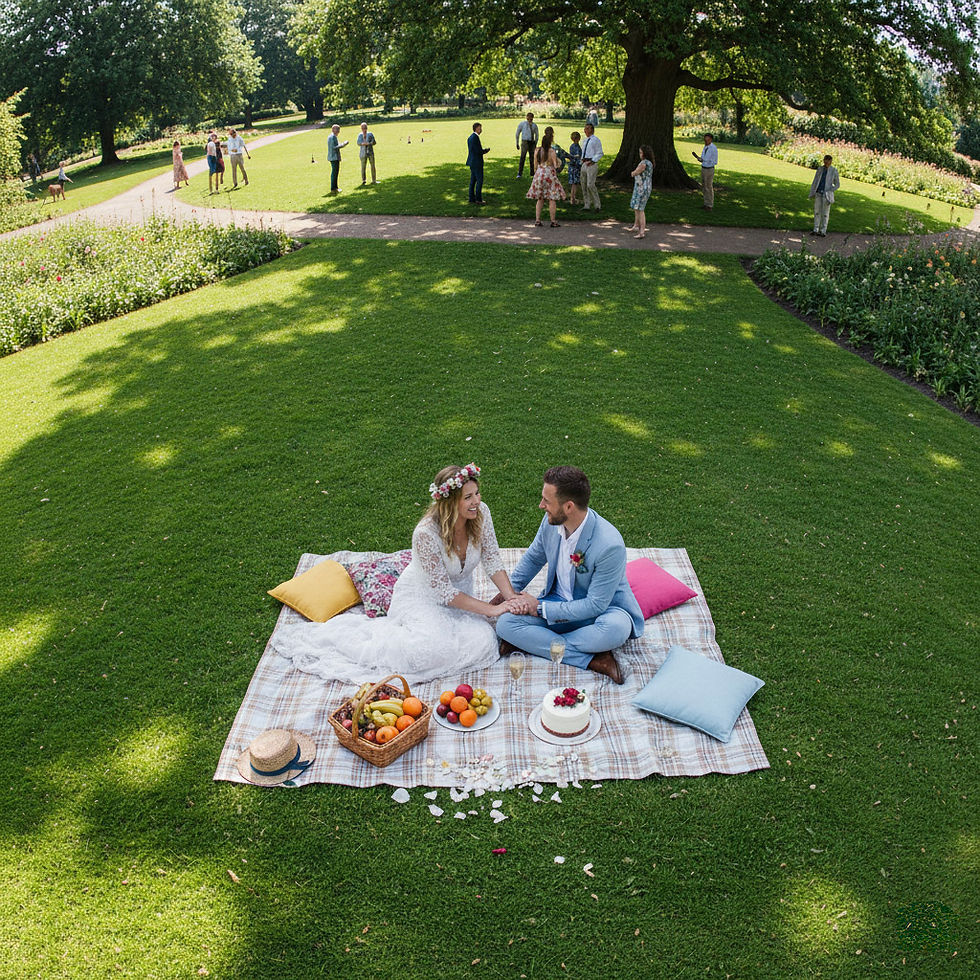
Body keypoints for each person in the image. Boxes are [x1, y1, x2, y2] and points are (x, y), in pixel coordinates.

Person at [271, 464, 526, 685]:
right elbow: (443, 593)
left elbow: (492, 559)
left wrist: (510, 598)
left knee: (483, 642)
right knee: (427, 651)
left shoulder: (481, 515)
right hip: (423, 597)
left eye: (477, 493)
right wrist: (490, 610)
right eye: (468, 497)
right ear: (449, 502)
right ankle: (352, 644)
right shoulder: (426, 534)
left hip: (462, 595)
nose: (476, 501)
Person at [496, 466, 644, 685]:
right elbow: (533, 559)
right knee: (506, 624)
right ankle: (594, 659)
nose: (541, 505)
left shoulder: (609, 545)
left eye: (547, 501)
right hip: (558, 602)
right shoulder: (550, 523)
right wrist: (506, 595)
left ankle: (534, 644)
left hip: (602, 613)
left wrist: (538, 608)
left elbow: (595, 605)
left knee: (615, 631)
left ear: (568, 506)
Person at [526, 135, 566, 227]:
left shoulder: (537, 150)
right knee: (552, 198)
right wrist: (559, 161)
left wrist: (537, 173)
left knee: (540, 198)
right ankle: (553, 221)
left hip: (539, 173)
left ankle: (537, 220)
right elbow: (556, 165)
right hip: (549, 174)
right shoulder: (551, 151)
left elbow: (535, 164)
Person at [808, 154, 841, 237]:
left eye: (828, 161)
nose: (826, 162)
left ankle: (823, 230)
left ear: (831, 161)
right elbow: (815, 180)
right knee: (817, 211)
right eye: (825, 160)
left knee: (825, 213)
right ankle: (815, 229)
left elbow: (837, 184)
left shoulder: (834, 170)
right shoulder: (820, 169)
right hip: (818, 192)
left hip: (826, 195)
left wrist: (830, 190)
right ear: (824, 160)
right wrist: (813, 191)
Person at [627, 145, 655, 239]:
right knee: (636, 207)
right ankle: (636, 225)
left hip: (642, 188)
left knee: (640, 209)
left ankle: (642, 231)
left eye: (641, 152)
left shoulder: (644, 163)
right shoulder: (649, 162)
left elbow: (636, 172)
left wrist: (633, 173)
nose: (640, 154)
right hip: (640, 187)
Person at [580, 123, 603, 211]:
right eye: (585, 128)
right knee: (583, 184)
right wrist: (582, 160)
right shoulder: (585, 140)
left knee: (590, 184)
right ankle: (587, 204)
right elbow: (584, 151)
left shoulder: (596, 140)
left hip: (592, 164)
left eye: (587, 128)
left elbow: (600, 152)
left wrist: (593, 161)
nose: (585, 130)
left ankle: (597, 205)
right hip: (584, 163)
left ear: (592, 130)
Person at [692, 133, 717, 210]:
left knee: (709, 187)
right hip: (704, 168)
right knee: (704, 187)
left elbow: (712, 160)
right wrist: (698, 157)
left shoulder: (713, 148)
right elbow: (703, 158)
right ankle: (706, 203)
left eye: (708, 140)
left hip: (709, 169)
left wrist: (702, 160)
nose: (706, 141)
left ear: (711, 139)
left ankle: (710, 205)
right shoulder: (705, 147)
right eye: (705, 140)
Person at [466, 122, 490, 204]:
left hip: (472, 162)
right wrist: (485, 151)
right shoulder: (475, 138)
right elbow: (478, 151)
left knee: (473, 181)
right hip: (477, 162)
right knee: (479, 180)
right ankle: (478, 199)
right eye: (480, 128)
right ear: (476, 129)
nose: (481, 130)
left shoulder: (470, 137)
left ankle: (471, 198)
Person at [515, 112, 539, 178]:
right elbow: (517, 133)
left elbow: (537, 135)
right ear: (526, 117)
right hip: (525, 142)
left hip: (532, 142)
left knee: (532, 158)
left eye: (531, 118)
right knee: (522, 157)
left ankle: (532, 173)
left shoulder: (534, 126)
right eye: (529, 117)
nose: (530, 119)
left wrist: (535, 143)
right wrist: (517, 143)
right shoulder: (522, 124)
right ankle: (519, 173)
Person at [327, 124, 348, 193]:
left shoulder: (331, 136)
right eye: (337, 129)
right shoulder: (333, 137)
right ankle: (333, 188)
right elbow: (335, 147)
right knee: (334, 173)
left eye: (339, 129)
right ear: (333, 129)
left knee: (335, 173)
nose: (338, 131)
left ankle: (335, 187)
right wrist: (344, 144)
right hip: (334, 157)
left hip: (332, 157)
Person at [566, 131, 582, 205]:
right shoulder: (577, 148)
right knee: (575, 184)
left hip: (571, 167)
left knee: (573, 184)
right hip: (575, 167)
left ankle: (572, 198)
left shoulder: (571, 146)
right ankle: (573, 199)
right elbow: (577, 158)